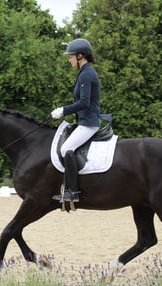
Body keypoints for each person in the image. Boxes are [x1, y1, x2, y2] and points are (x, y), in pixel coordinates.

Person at [51, 38, 102, 204]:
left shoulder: (87, 74)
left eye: (71, 56)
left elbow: (84, 103)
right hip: (84, 121)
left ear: (80, 56)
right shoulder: (84, 73)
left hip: (89, 123)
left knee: (66, 148)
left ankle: (72, 191)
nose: (69, 59)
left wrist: (63, 110)